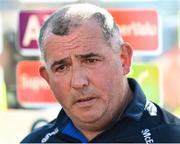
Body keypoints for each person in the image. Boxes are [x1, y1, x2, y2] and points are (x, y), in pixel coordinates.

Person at [21, 3, 180, 143]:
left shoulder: (171, 137)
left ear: (124, 59)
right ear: (47, 79)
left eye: (91, 60)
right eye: (61, 67)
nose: (78, 82)